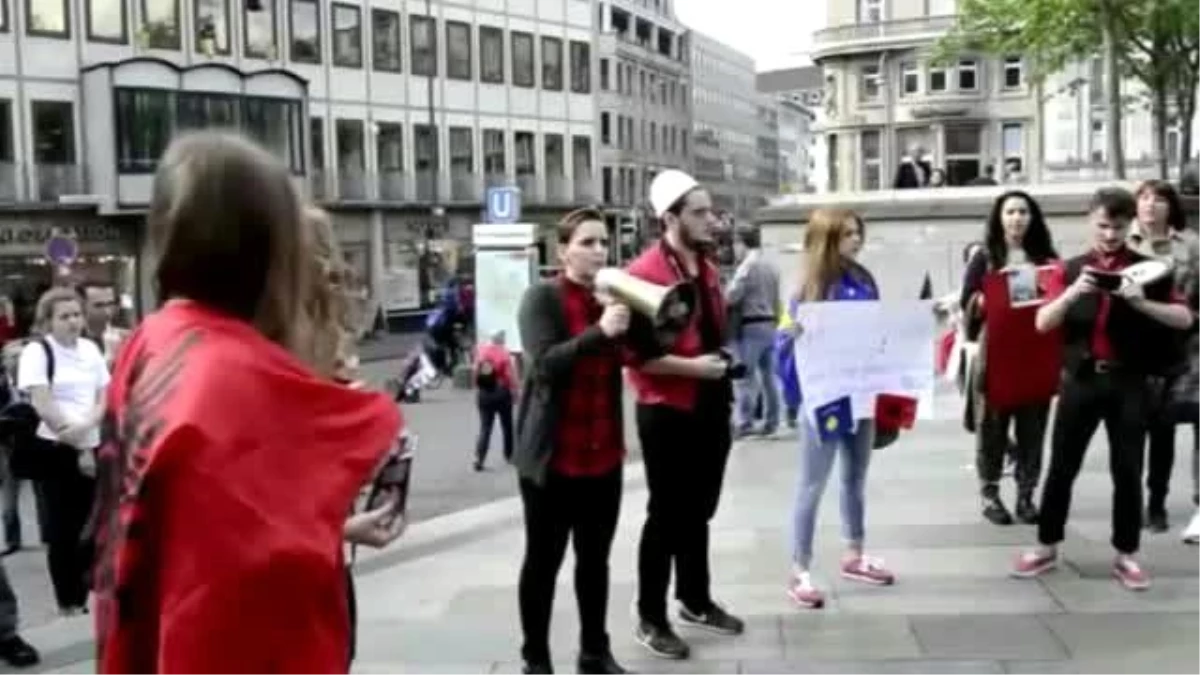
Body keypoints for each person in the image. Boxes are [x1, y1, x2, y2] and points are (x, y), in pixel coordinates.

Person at [90, 132, 406, 674]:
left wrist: (335, 528)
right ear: (269, 248)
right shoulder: (239, 378)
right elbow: (243, 578)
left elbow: (217, 530)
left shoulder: (156, 337)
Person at [1012, 188, 1193, 591]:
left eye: (1118, 227)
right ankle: (1046, 545)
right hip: (1080, 379)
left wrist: (1142, 302)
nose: (1110, 235)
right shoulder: (1071, 268)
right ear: (1089, 221)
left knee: (1128, 469)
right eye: (1103, 226)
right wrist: (1074, 293)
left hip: (1130, 380)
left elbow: (1183, 318)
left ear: (1131, 226)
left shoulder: (1151, 269)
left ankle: (1126, 554)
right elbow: (1042, 322)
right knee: (1061, 466)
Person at [625, 170, 744, 660]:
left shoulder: (706, 266)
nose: (710, 219)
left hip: (709, 400)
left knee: (700, 510)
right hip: (667, 408)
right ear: (669, 218)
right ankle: (650, 617)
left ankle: (694, 599)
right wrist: (694, 368)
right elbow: (637, 356)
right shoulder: (645, 273)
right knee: (667, 514)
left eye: (710, 210)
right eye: (698, 212)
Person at [514, 208, 631, 675]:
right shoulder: (541, 298)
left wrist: (631, 320)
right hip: (553, 458)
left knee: (595, 562)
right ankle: (536, 660)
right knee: (543, 562)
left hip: (602, 454)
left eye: (603, 242)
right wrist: (597, 333)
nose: (599, 250)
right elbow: (544, 365)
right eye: (587, 242)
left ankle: (594, 652)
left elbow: (638, 353)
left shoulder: (612, 299)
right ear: (563, 250)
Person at [783, 209, 894, 609]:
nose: (856, 240)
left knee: (855, 477)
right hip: (824, 398)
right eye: (847, 234)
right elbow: (784, 343)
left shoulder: (864, 280)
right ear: (828, 238)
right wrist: (791, 337)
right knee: (812, 485)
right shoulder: (807, 288)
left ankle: (854, 553)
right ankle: (799, 569)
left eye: (858, 232)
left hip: (859, 394)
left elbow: (879, 332)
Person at [960, 191, 1059, 526]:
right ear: (999, 218)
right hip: (996, 351)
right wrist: (985, 301)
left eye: (1023, 212)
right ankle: (990, 494)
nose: (1017, 218)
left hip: (1035, 348)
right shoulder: (985, 256)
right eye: (1010, 212)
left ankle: (1027, 495)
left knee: (1033, 427)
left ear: (1032, 218)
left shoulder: (1045, 256)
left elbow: (1057, 295)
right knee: (992, 427)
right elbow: (967, 301)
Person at [16, 287, 109, 615]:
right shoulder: (37, 352)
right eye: (64, 316)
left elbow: (104, 395)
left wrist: (90, 430)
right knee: (62, 529)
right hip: (56, 449)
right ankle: (69, 600)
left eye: (76, 314)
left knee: (94, 522)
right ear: (48, 321)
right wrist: (78, 441)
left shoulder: (90, 348)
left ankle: (89, 588)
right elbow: (44, 403)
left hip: (90, 442)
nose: (73, 321)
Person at [1127, 180, 1200, 534]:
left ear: (1170, 207)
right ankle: (1138, 501)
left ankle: (1158, 503)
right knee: (1135, 430)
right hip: (1135, 351)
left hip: (1182, 348)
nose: (1150, 205)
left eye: (1158, 199)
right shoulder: (1123, 242)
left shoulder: (1191, 245)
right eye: (1143, 198)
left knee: (1165, 430)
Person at [726, 224, 781, 438]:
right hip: (770, 324)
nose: (734, 250)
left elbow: (732, 297)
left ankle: (745, 422)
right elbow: (777, 299)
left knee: (745, 377)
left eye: (735, 244)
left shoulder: (747, 266)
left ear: (741, 243)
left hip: (751, 325)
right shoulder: (772, 266)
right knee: (769, 378)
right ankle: (772, 421)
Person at [474, 330, 516, 471]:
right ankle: (509, 454)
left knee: (485, 427)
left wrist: (478, 390)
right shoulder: (504, 353)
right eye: (503, 337)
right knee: (507, 426)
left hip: (485, 394)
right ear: (499, 339)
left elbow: (476, 373)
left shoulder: (481, 351)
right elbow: (510, 376)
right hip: (501, 392)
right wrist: (515, 392)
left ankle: (479, 458)